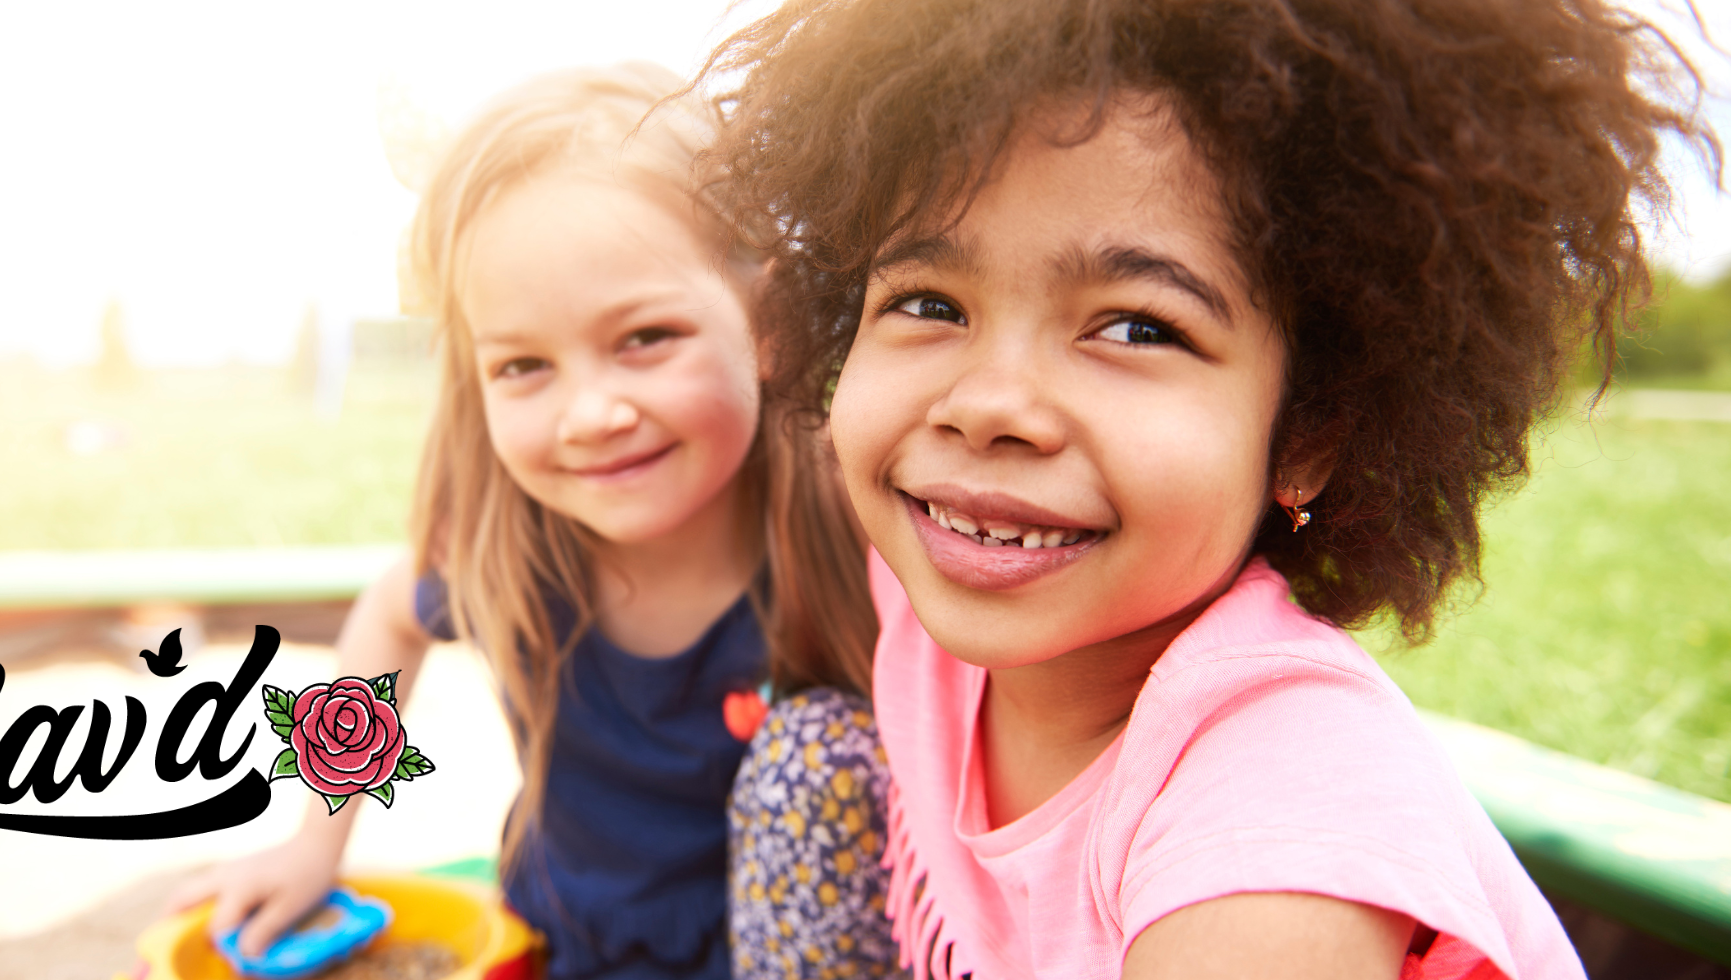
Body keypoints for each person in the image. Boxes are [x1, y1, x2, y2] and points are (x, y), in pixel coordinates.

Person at [695, 0, 1715, 977]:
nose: (987, 404)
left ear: (1310, 434)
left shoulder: (1270, 835)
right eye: (928, 301)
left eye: (1137, 326)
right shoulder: (936, 563)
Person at [168, 63, 892, 980]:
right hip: (556, 948)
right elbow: (387, 619)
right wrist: (316, 841)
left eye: (645, 339)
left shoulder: (847, 522)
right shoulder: (514, 548)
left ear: (771, 322)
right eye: (523, 366)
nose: (590, 413)